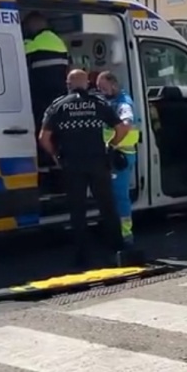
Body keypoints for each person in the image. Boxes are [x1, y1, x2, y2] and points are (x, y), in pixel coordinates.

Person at [38, 69, 137, 268]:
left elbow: (43, 138)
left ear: (68, 84)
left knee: (77, 210)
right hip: (98, 163)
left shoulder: (58, 106)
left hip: (72, 164)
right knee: (107, 207)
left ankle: (81, 256)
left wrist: (56, 155)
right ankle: (117, 249)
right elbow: (123, 127)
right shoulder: (98, 103)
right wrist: (111, 146)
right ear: (87, 85)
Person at [96, 71, 140, 246]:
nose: (101, 91)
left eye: (103, 87)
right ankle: (115, 231)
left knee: (119, 196)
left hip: (121, 155)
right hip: (113, 155)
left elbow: (126, 126)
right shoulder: (109, 101)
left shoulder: (123, 103)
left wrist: (112, 144)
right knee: (112, 196)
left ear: (114, 84)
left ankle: (125, 235)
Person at [24, 12, 70, 137]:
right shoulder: (58, 41)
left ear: (34, 24)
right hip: (60, 94)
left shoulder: (35, 41)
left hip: (40, 95)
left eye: (27, 25)